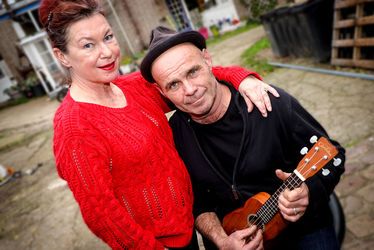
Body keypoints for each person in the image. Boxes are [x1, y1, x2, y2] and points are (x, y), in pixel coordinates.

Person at [39, 0, 279, 249]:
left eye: (108, 37)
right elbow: (102, 215)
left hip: (189, 228)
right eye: (88, 45)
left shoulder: (132, 88)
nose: (107, 52)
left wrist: (241, 79)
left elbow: (191, 74)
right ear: (62, 56)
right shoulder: (74, 127)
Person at [140, 26, 346, 249]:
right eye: (173, 84)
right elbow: (196, 204)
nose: (189, 90)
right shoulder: (174, 137)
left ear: (208, 60)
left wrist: (309, 191)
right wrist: (222, 240)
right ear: (162, 92)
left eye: (192, 72)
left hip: (303, 229)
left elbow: (334, 155)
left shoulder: (267, 103)